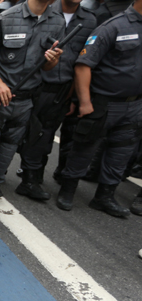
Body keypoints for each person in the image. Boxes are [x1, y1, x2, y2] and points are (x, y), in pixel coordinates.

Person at [0, 0, 65, 217]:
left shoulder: (58, 22)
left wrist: (53, 60)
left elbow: (48, 66)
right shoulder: (6, 18)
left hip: (25, 102)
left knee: (6, 154)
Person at [55, 0, 142, 217]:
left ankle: (104, 196)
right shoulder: (113, 26)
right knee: (85, 146)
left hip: (133, 105)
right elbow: (84, 65)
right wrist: (84, 101)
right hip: (103, 102)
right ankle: (67, 190)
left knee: (121, 152)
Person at [15, 0, 96, 201]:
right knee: (17, 131)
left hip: (61, 90)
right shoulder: (44, 12)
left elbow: (84, 61)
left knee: (44, 134)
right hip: (33, 85)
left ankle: (31, 178)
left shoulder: (90, 20)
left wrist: (75, 97)